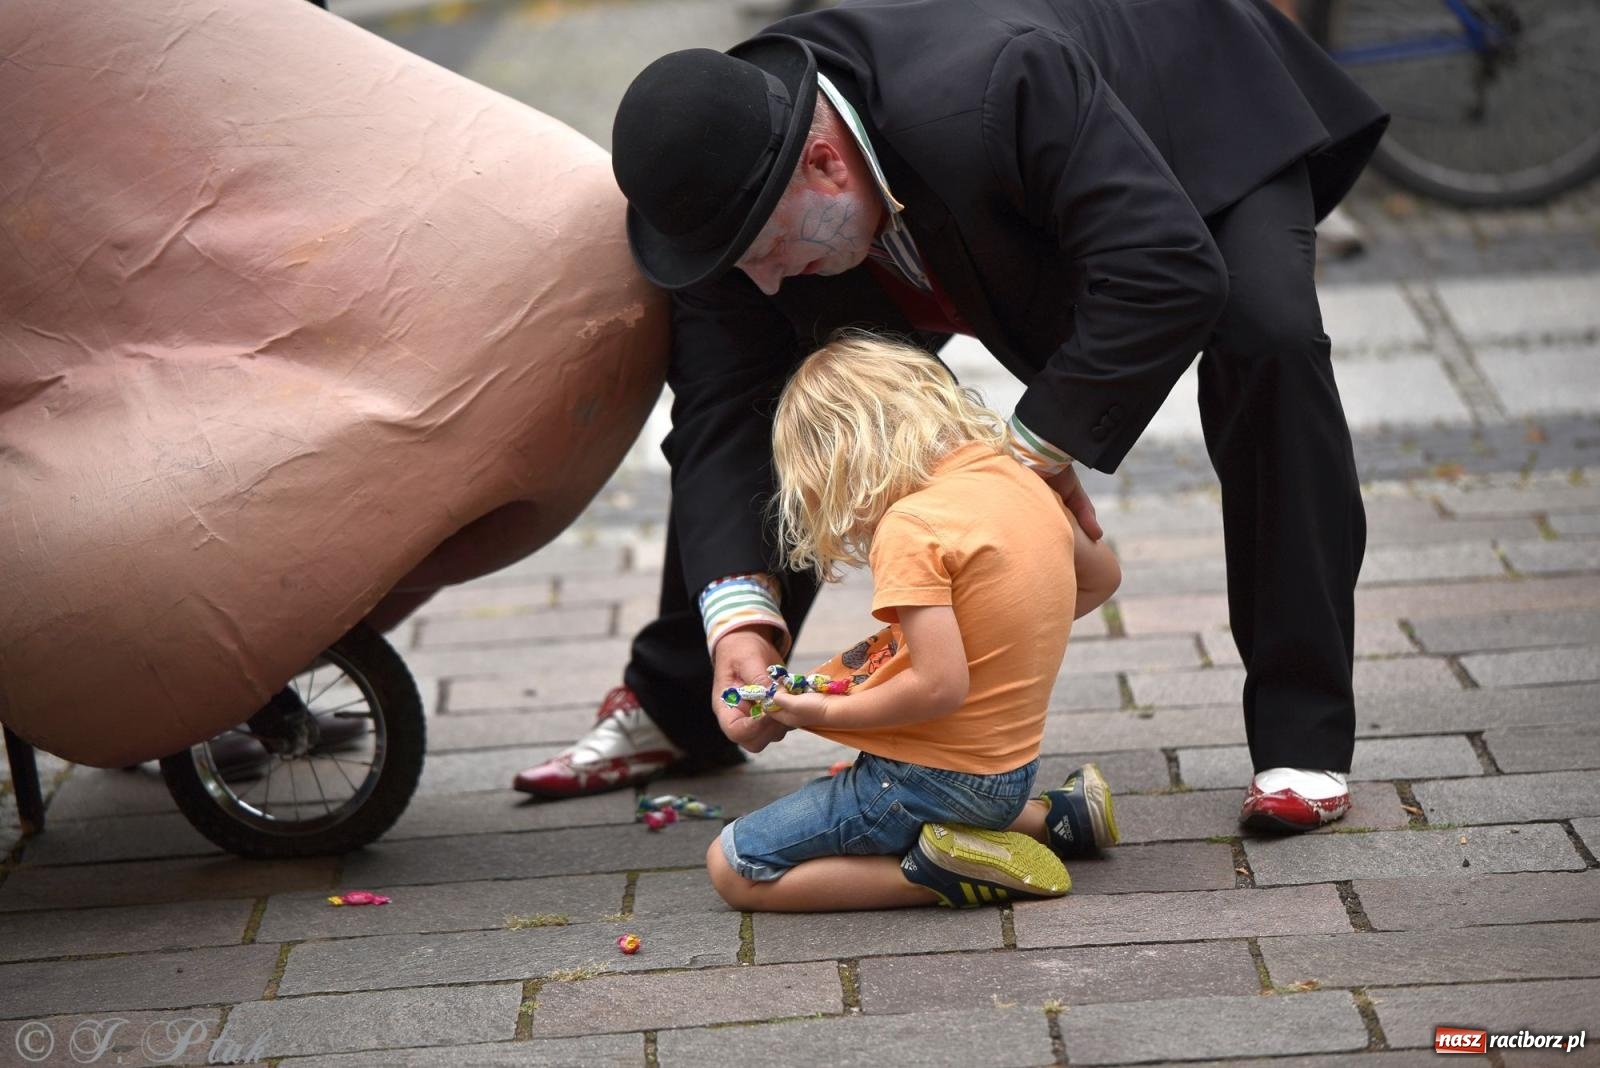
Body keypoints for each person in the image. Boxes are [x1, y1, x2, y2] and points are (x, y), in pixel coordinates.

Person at [513, 0, 1388, 833]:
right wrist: (737, 617)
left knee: (1267, 338)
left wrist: (1029, 455)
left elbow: (1163, 270)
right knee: (785, 392)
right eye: (743, 263)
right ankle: (683, 705)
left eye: (771, 249)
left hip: (1184, 101)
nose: (766, 283)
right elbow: (724, 414)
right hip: (944, 183)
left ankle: (1301, 736)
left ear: (825, 162)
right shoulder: (730, 194)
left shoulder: (996, 88)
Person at [706, 332, 1120, 910]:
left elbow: (938, 687)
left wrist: (814, 713)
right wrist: (1008, 624)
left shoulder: (912, 526)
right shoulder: (1018, 477)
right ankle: (1060, 821)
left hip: (927, 781)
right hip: (1009, 775)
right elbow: (1101, 579)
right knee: (960, 798)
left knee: (733, 864)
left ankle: (935, 874)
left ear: (838, 462)